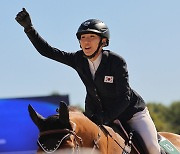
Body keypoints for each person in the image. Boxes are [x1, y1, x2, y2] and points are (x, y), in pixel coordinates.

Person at [15, 8, 161, 154]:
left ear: (103, 41)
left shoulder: (116, 62)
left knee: (153, 149)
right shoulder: (78, 59)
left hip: (131, 114)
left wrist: (104, 118)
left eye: (92, 36)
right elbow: (48, 51)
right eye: (83, 37)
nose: (86, 41)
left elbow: (124, 97)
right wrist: (29, 29)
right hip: (97, 115)